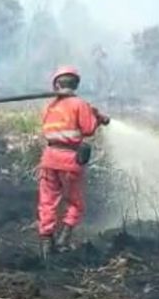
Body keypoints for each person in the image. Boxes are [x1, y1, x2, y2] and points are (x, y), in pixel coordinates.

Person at [38, 66, 110, 260]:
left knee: (47, 201)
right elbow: (87, 130)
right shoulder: (80, 104)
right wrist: (96, 118)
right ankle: (64, 239)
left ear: (56, 84)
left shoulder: (49, 107)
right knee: (75, 202)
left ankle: (47, 242)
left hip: (49, 158)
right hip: (70, 161)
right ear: (76, 84)